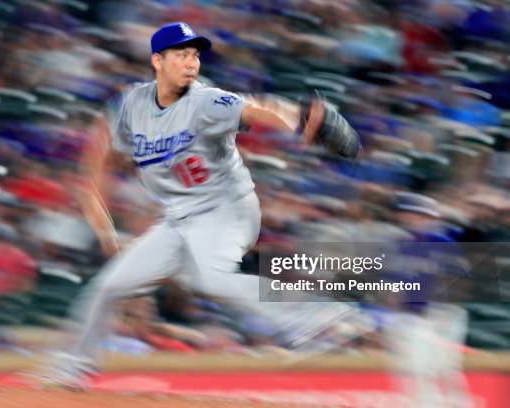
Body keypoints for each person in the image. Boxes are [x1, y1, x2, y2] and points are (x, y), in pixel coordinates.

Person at [38, 22, 361, 387]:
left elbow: (258, 108)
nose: (191, 62)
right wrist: (107, 233)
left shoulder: (206, 101)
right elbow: (93, 172)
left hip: (227, 209)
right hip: (178, 220)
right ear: (157, 61)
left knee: (212, 277)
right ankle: (72, 369)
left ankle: (326, 320)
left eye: (194, 55)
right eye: (181, 55)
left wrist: (300, 121)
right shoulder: (130, 105)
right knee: (110, 287)